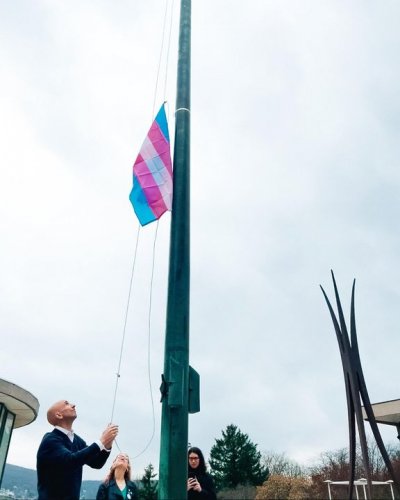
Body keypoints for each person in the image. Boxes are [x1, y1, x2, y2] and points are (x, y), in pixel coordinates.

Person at [37, 400, 118, 500]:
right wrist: (102, 441)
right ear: (58, 415)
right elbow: (70, 461)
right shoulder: (50, 440)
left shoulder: (77, 441)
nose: (73, 405)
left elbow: (97, 463)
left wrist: (108, 443)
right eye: (66, 403)